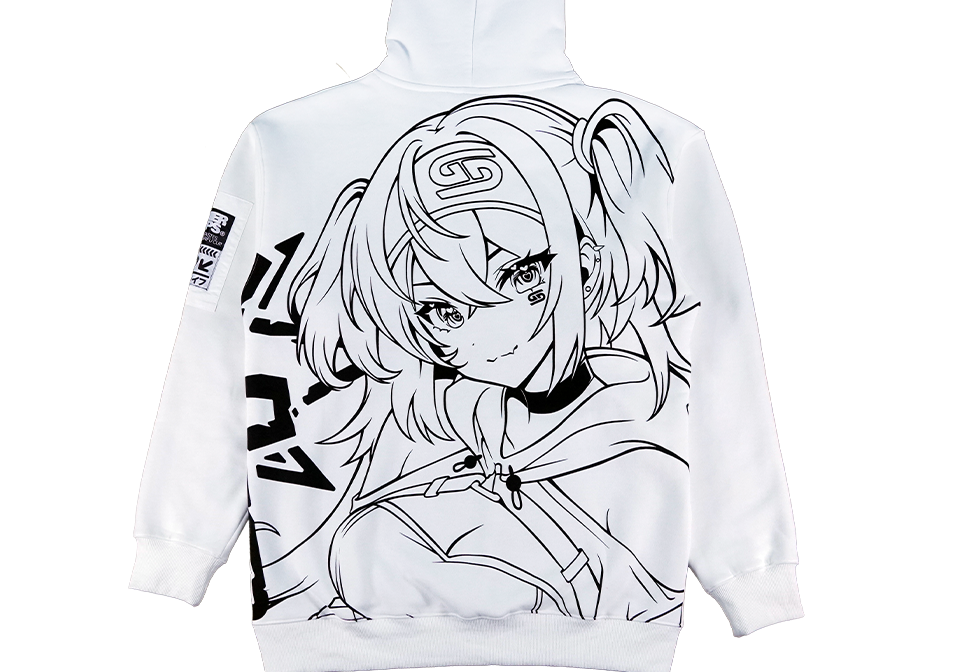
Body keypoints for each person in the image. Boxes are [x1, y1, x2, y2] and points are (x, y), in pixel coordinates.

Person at [288, 94, 695, 624]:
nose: (463, 335)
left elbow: (647, 599)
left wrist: (754, 584)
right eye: (436, 309)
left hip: (585, 648)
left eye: (517, 275)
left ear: (580, 267)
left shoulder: (639, 440)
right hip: (380, 641)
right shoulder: (470, 404)